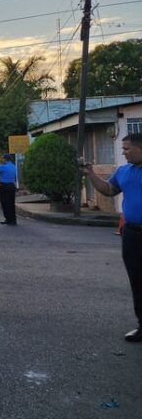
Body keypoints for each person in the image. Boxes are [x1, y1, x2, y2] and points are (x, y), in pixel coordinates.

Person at [80, 133, 142, 342]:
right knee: (137, 281)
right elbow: (109, 189)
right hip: (132, 234)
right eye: (122, 149)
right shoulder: (124, 171)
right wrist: (91, 174)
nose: (123, 153)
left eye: (127, 149)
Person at [0, 153, 17, 225]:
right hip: (12, 186)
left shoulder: (3, 166)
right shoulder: (13, 166)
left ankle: (8, 219)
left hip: (5, 186)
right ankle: (13, 220)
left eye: (3, 158)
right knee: (11, 203)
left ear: (5, 159)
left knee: (5, 203)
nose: (2, 159)